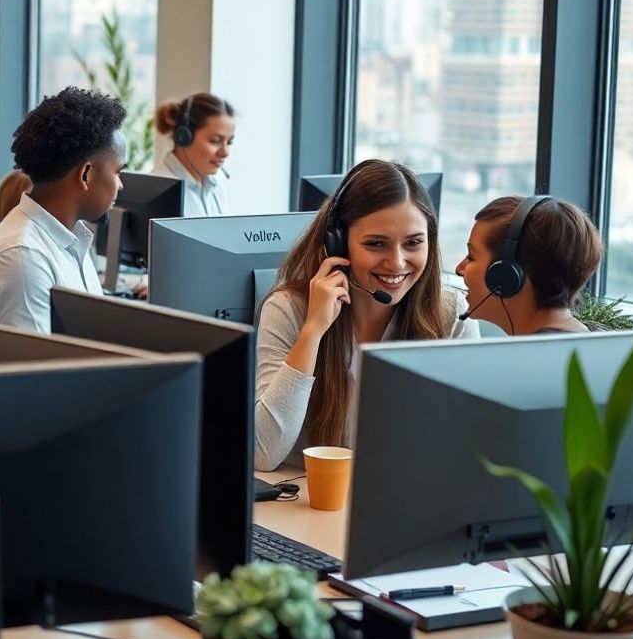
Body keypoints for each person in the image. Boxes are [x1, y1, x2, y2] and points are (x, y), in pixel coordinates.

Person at [254, 159, 479, 470]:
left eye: (413, 243)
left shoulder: (451, 314)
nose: (397, 263)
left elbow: (466, 445)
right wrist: (313, 331)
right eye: (376, 244)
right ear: (338, 246)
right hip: (305, 511)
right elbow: (263, 452)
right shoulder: (289, 310)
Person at [0, 87, 127, 333]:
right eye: (117, 172)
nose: (120, 184)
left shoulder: (69, 240)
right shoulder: (23, 257)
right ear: (86, 174)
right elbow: (39, 369)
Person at [455, 195, 603, 335]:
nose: (459, 269)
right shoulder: (594, 343)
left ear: (505, 275)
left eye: (471, 256)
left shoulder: (526, 360)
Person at [152, 93, 235, 216]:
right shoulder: (158, 191)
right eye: (215, 141)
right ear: (184, 137)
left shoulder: (216, 188)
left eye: (229, 142)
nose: (225, 152)